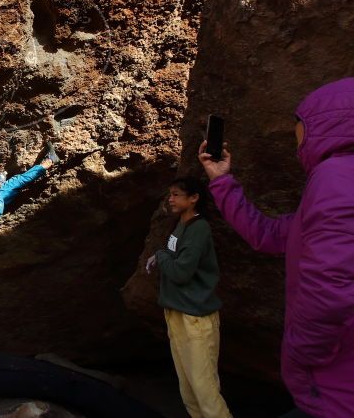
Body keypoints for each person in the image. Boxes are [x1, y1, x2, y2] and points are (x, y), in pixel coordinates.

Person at [199, 78, 354, 418]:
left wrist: (302, 351)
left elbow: (331, 288)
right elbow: (268, 234)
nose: (297, 137)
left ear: (329, 124)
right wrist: (221, 179)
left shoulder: (336, 178)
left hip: (337, 384)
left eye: (300, 126)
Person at [146, 177, 231, 418]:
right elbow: (175, 259)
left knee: (206, 392)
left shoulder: (199, 228)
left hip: (196, 318)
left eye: (176, 194)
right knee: (189, 390)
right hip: (176, 312)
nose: (170, 199)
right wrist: (162, 256)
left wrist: (161, 255)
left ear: (194, 198)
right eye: (170, 194)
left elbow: (181, 272)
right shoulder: (180, 224)